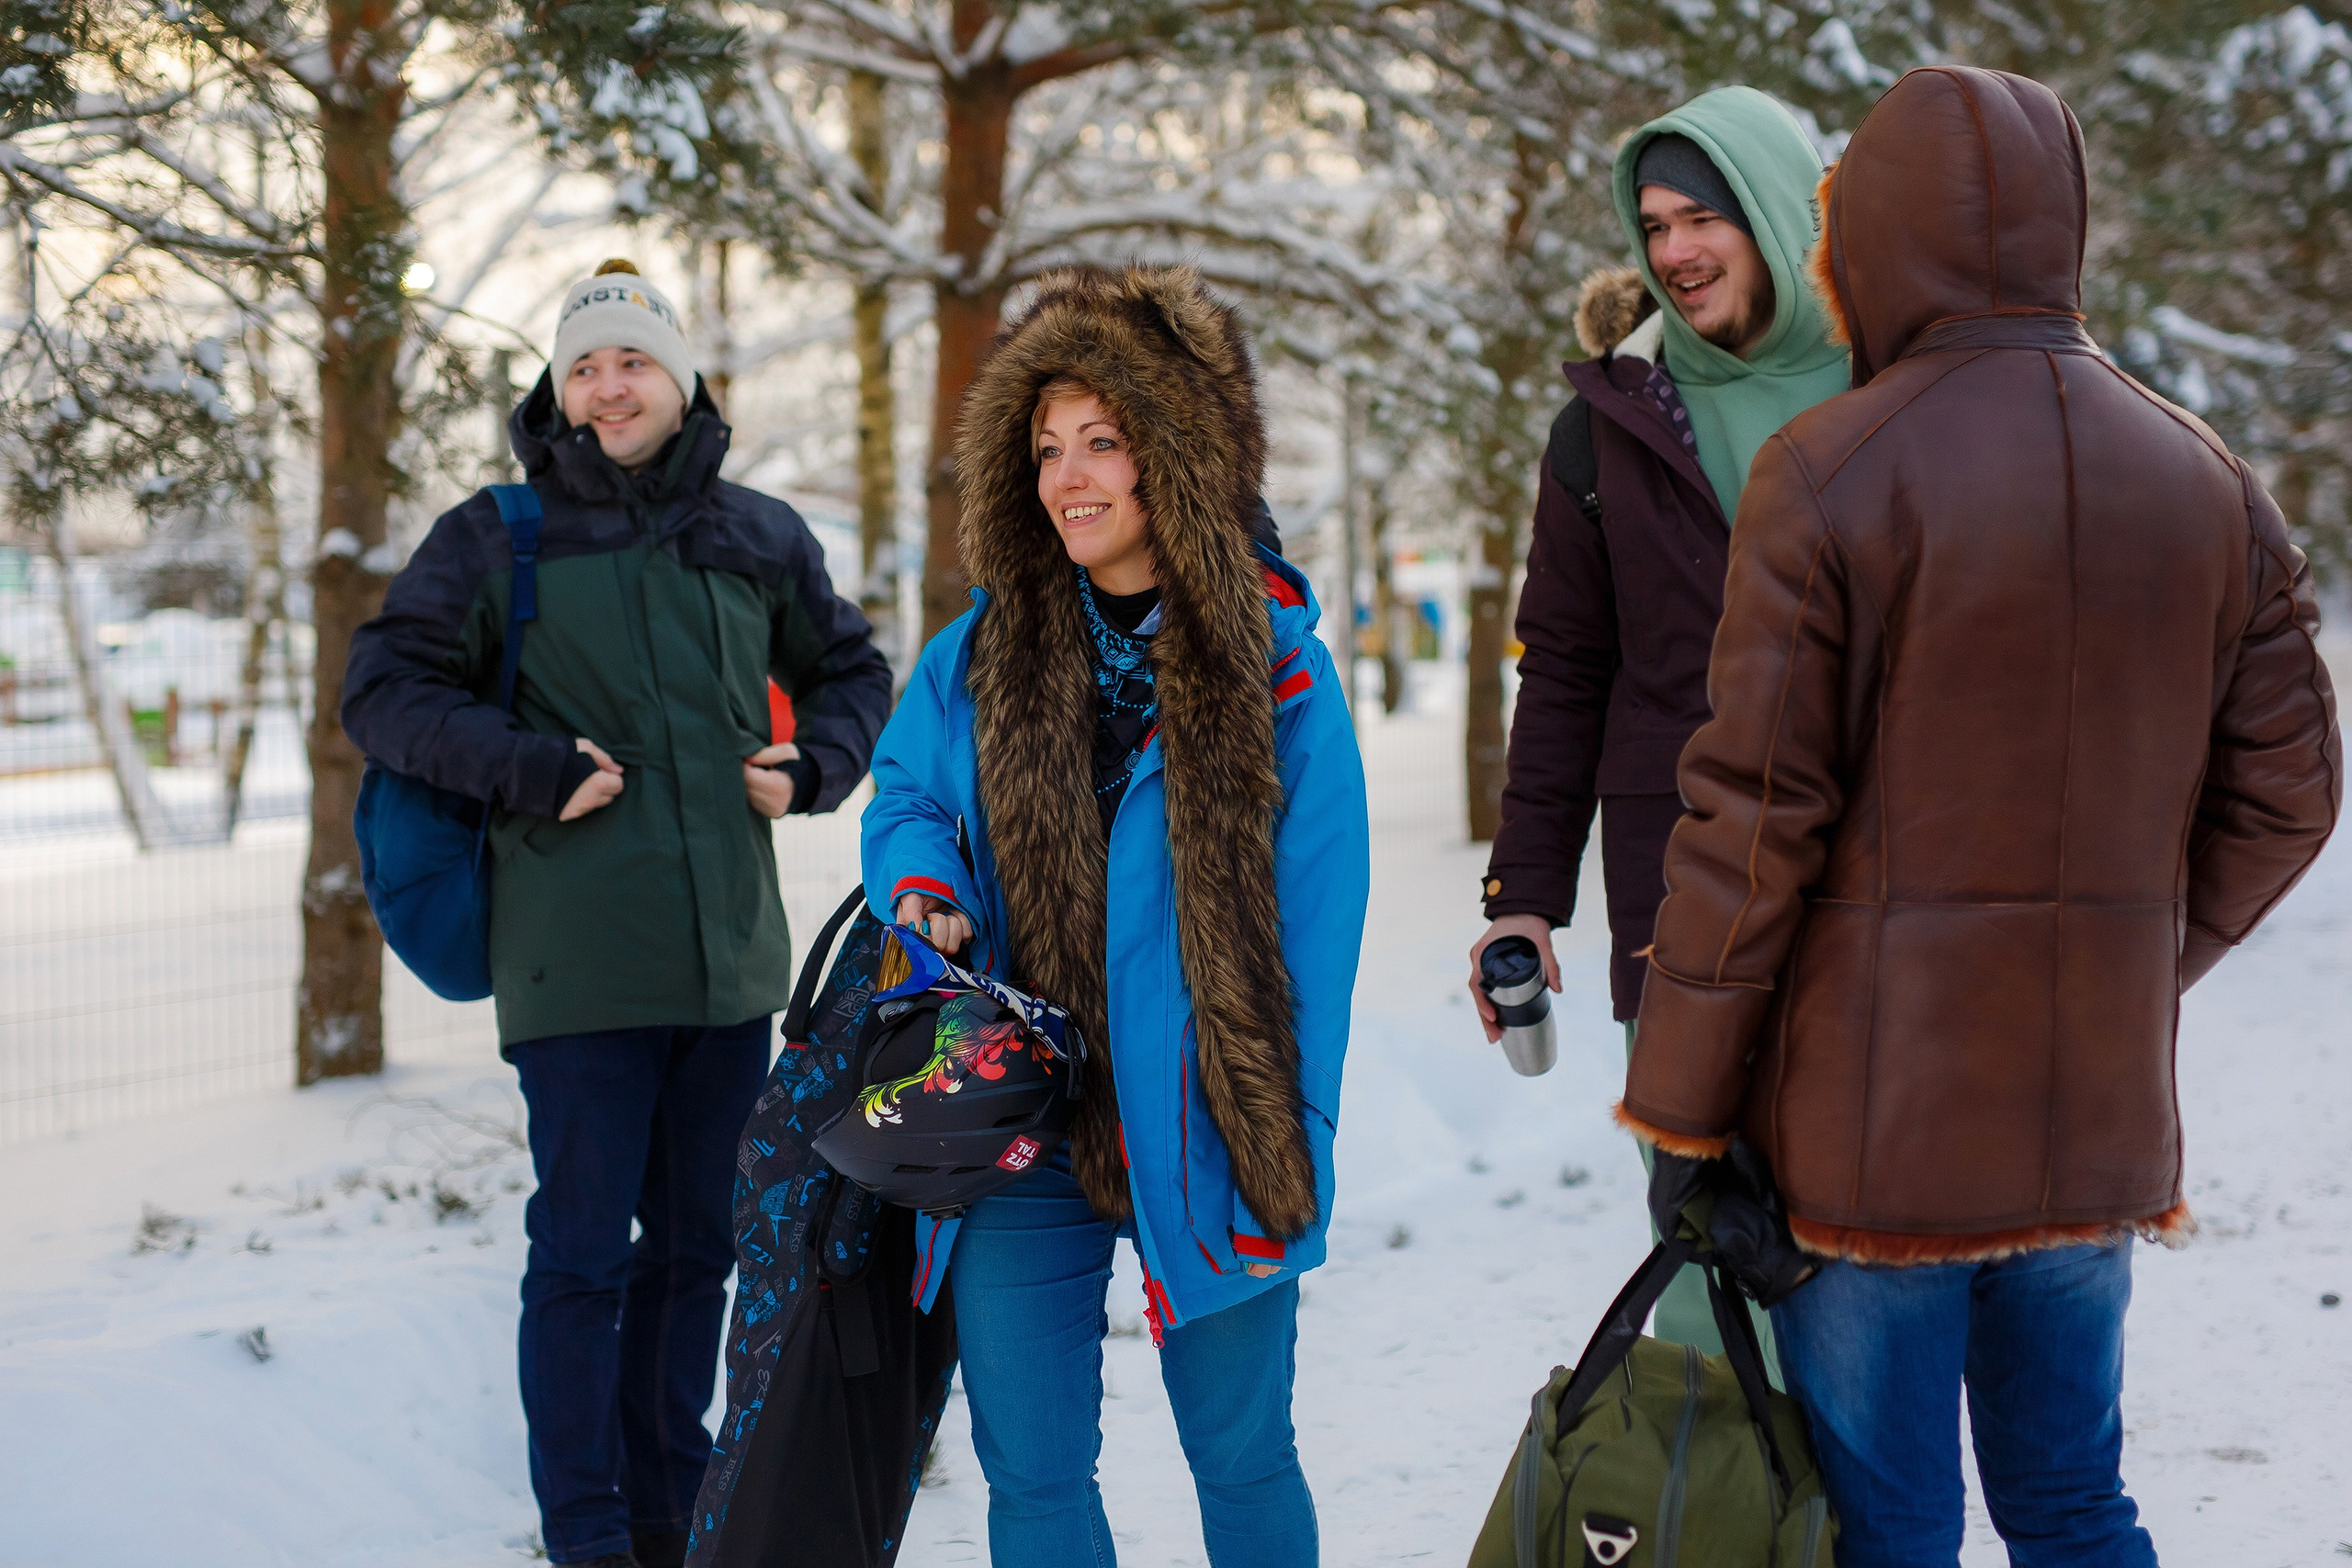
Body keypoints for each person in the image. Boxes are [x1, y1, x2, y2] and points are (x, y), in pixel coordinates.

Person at [1620, 66, 2340, 1566]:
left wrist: (1682, 1106)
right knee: (2076, 1506)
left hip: (1873, 1145)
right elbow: (2290, 792)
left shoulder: (1830, 471)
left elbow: (1752, 820)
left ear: (1871, 240)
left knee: (1890, 1528)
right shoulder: (2212, 482)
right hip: (2086, 1121)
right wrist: (2123, 952)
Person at [342, 259, 893, 1568]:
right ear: (559, 388)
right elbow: (383, 689)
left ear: (680, 377)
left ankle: (675, 1510)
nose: (607, 384)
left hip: (728, 972)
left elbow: (854, 670)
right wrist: (528, 769)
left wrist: (815, 765)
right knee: (584, 1256)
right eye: (583, 365)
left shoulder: (758, 532)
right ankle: (587, 1531)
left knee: (699, 1248)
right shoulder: (499, 533)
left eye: (631, 360)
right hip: (575, 968)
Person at [861, 265, 1369, 1565]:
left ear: (1178, 458)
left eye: (1105, 441)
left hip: (1210, 1122)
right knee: (1030, 1477)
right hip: (1013, 1120)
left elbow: (1319, 941)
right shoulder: (979, 653)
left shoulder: (1285, 677)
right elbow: (908, 793)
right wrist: (925, 888)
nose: (1070, 478)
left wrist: (1286, 1144)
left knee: (1244, 1460)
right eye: (1044, 449)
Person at [1466, 86, 1847, 1359]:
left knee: (1868, 1288)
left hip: (1883, 897)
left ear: (1788, 216)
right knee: (1709, 1267)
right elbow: (1566, 666)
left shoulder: (1903, 390)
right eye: (1654, 225)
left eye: (1706, 216)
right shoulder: (1608, 428)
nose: (1675, 251)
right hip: (1683, 900)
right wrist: (1522, 893)